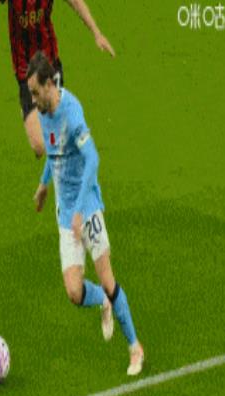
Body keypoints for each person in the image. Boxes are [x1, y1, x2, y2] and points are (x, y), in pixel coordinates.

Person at [29, 52, 143, 375]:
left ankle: (135, 348)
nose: (32, 100)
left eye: (35, 93)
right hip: (66, 214)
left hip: (87, 209)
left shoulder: (72, 112)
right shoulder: (44, 114)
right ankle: (102, 302)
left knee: (108, 280)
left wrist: (80, 210)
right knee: (74, 292)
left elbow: (92, 159)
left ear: (49, 85)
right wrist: (43, 185)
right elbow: (54, 153)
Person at [0, 0, 115, 158]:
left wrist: (97, 33)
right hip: (25, 69)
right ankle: (29, 111)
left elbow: (75, 2)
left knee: (57, 134)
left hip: (49, 64)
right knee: (39, 147)